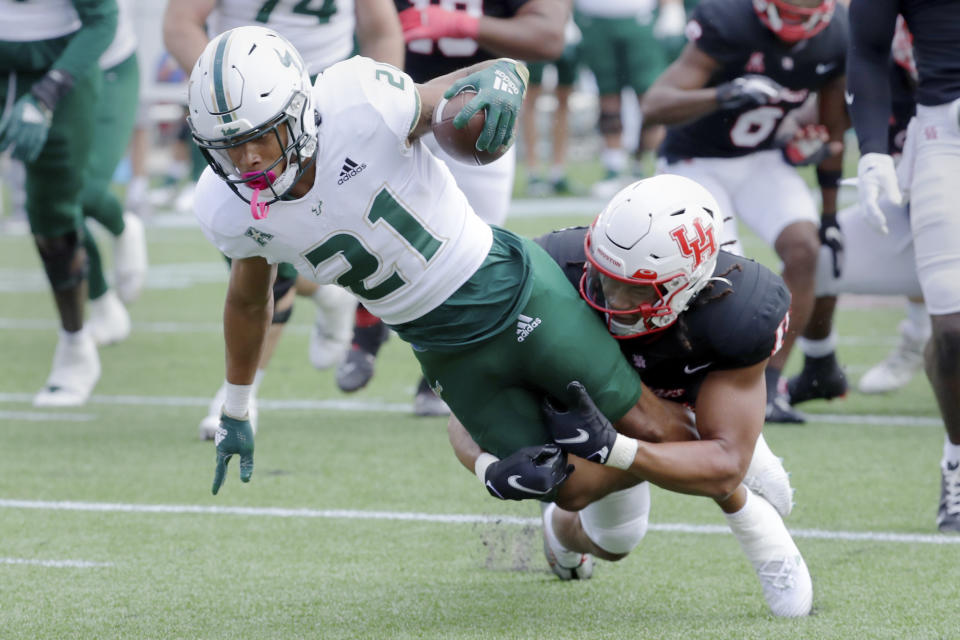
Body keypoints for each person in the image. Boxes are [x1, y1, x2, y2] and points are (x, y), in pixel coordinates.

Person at [189, 28, 683, 519]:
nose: (247, 159)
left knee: (655, 427)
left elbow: (463, 86)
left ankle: (749, 502)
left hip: (514, 291)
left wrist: (506, 73)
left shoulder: (358, 101)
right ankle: (580, 519)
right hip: (442, 350)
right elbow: (250, 300)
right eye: (228, 146)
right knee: (567, 488)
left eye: (259, 137)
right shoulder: (226, 205)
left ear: (298, 109)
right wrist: (236, 405)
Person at [449, 175, 812, 617]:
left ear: (686, 286)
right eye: (604, 276)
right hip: (590, 405)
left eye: (634, 288)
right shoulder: (547, 271)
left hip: (685, 403)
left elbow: (724, 468)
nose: (609, 297)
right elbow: (465, 406)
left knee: (723, 464)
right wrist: (488, 467)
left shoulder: (738, 309)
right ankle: (559, 534)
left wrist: (616, 449)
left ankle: (740, 494)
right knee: (601, 525)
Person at [162, 0, 404, 438]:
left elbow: (381, 30)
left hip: (323, 101)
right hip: (240, 107)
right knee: (250, 245)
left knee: (277, 261)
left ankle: (241, 394)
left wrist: (387, 108)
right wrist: (220, 95)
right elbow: (180, 23)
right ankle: (329, 294)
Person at [337, 0, 572, 415]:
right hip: (401, 104)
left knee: (471, 258)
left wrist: (460, 23)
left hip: (479, 114)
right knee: (374, 226)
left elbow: (549, 37)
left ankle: (439, 372)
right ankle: (368, 325)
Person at [640, 0, 850, 423]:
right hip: (695, 159)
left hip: (761, 160)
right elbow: (655, 104)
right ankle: (705, 385)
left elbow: (831, 132)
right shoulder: (730, 19)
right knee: (724, 273)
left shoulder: (838, 33)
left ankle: (770, 387)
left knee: (806, 250)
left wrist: (828, 209)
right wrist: (724, 93)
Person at [846, 0, 960, 533]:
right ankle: (958, 455)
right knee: (954, 328)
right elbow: (867, 47)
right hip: (945, 132)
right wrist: (871, 151)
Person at [787, 15, 927, 404]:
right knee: (816, 258)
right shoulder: (875, 65)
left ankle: (922, 339)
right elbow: (817, 119)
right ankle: (820, 368)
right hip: (909, 217)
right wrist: (793, 135)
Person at [0, 0, 119, 407]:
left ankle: (75, 345)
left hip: (58, 61)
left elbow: (102, 20)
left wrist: (48, 92)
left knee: (53, 216)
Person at [81, 0, 148, 347]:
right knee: (46, 203)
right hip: (39, 68)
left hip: (108, 66)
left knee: (84, 191)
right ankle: (102, 303)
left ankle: (122, 226)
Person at [573, 0, 668, 198]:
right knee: (607, 95)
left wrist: (670, 9)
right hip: (594, 17)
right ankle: (613, 167)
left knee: (648, 97)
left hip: (638, 14)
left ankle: (648, 164)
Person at [521, 18, 580, 197]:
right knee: (530, 100)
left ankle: (558, 171)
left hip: (567, 32)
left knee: (564, 102)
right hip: (535, 32)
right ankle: (533, 172)